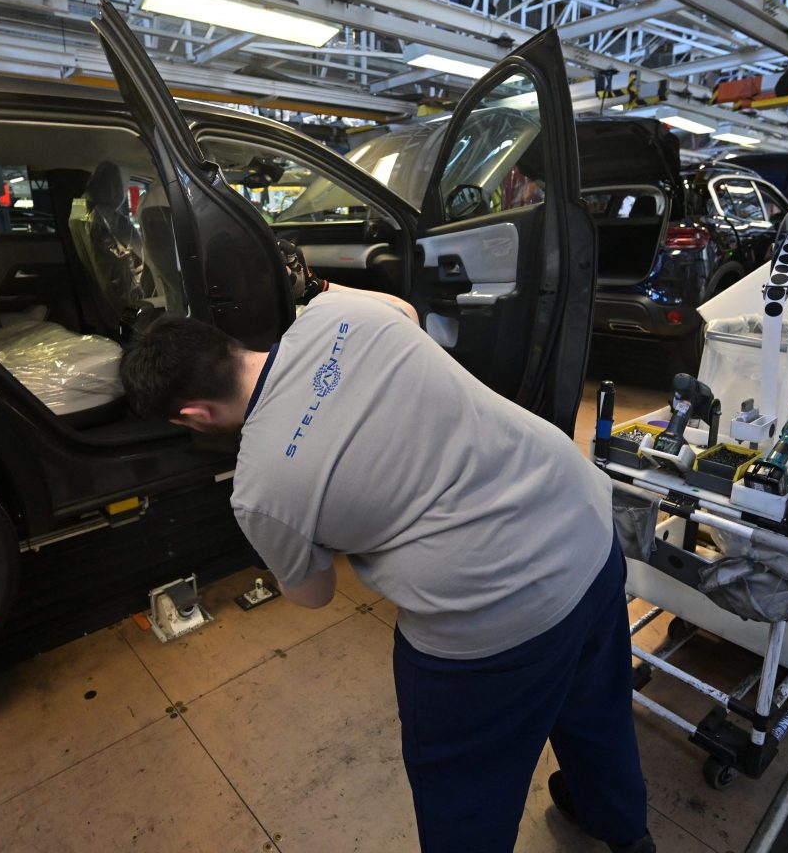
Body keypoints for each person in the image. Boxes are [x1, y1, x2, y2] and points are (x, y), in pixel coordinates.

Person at [118, 260, 652, 853]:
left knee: (465, 787)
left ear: (193, 416)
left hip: (493, 615)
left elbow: (313, 594)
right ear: (226, 345)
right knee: (597, 711)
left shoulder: (261, 491)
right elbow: (405, 309)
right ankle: (626, 832)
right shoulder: (338, 313)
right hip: (582, 525)